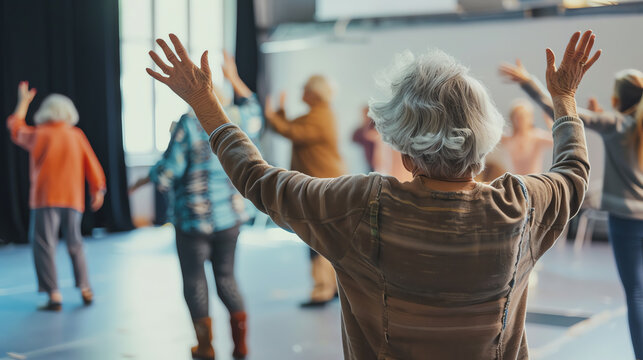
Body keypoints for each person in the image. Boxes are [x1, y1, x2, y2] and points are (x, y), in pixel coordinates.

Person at [147, 31, 598, 359]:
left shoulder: (363, 209)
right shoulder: (522, 207)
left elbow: (258, 180)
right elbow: (574, 172)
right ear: (482, 141)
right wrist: (564, 99)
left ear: (406, 155)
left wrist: (205, 102)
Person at [501, 58, 643, 359]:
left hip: (627, 221)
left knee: (636, 293)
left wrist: (528, 81)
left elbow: (560, 110)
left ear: (617, 99)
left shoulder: (615, 125)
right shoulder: (622, 124)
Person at [132, 51, 262, 360]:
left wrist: (147, 178)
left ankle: (205, 347)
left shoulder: (188, 125)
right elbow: (256, 110)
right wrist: (233, 76)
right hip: (230, 218)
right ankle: (240, 345)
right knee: (227, 278)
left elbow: (167, 173)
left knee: (194, 281)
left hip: (192, 221)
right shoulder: (238, 119)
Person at [6, 82, 106, 311]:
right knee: (75, 242)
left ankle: (54, 294)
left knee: (44, 244)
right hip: (72, 197)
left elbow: (15, 128)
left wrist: (23, 102)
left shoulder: (39, 134)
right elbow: (92, 164)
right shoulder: (76, 135)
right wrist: (97, 189)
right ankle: (85, 288)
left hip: (44, 198)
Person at [264, 75, 346, 307]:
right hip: (323, 184)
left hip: (320, 185)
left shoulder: (320, 117)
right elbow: (291, 128)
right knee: (326, 237)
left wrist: (272, 115)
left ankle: (322, 289)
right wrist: (279, 114)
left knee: (316, 237)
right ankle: (330, 287)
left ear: (314, 93)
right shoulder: (319, 114)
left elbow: (293, 132)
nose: (301, 92)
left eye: (304, 89)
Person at [499, 97, 553, 174]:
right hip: (514, 182)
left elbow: (557, 140)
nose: (521, 120)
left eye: (524, 116)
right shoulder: (508, 137)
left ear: (531, 118)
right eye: (517, 117)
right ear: (512, 118)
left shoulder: (536, 136)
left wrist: (548, 119)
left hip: (533, 182)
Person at [352, 106, 379, 172]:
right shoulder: (363, 128)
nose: (364, 116)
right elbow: (354, 138)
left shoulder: (376, 126)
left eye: (366, 114)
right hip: (369, 160)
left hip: (377, 160)